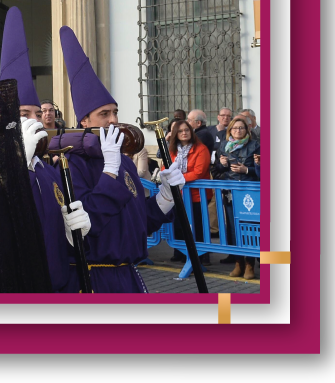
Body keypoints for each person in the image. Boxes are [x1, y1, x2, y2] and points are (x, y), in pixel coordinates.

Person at [48, 27, 182, 293]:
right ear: (84, 121)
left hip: (129, 277)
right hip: (95, 279)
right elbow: (87, 224)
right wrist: (109, 173)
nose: (112, 120)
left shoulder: (125, 161)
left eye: (115, 112)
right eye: (104, 114)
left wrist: (165, 198)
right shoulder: (71, 162)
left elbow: (138, 222)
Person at [0, 7, 91, 293]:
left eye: (37, 113)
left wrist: (70, 232)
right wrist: (16, 167)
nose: (34, 120)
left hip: (57, 285)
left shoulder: (46, 169)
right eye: (24, 112)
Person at [213, 116, 260, 280]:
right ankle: (238, 262)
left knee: (249, 228)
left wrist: (246, 170)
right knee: (233, 228)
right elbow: (217, 170)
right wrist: (222, 164)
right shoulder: (224, 146)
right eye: (235, 128)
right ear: (229, 131)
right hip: (230, 192)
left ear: (247, 130)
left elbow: (263, 170)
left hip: (249, 193)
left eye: (241, 128)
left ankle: (250, 264)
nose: (238, 130)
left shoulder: (255, 145)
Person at [165, 117, 212, 265]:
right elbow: (165, 168)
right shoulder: (172, 150)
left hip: (198, 195)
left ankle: (202, 256)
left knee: (198, 226)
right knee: (178, 224)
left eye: (186, 130)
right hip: (178, 195)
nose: (184, 133)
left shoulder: (201, 148)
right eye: (180, 131)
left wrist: (177, 178)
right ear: (175, 134)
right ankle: (180, 252)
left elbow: (198, 172)